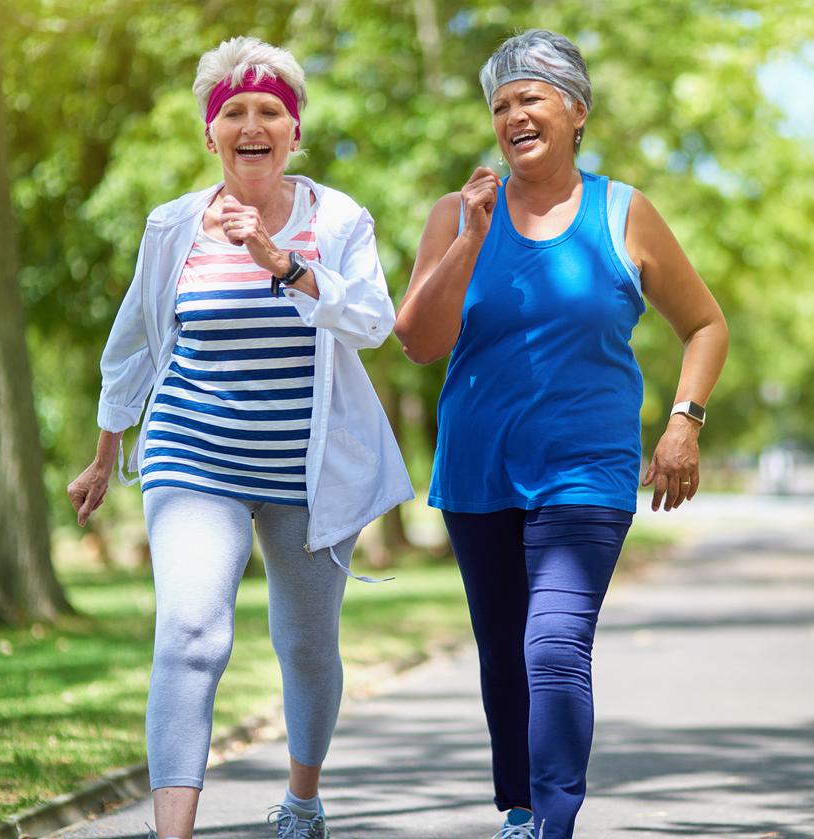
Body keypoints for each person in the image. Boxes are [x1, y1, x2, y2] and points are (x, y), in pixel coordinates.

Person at [67, 36, 412, 839]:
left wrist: (279, 262)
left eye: (269, 112)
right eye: (233, 113)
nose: (251, 124)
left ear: (294, 132)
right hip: (193, 455)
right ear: (209, 132)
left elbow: (372, 322)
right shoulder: (172, 226)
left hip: (307, 467)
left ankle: (302, 799)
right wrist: (106, 451)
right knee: (190, 633)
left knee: (306, 648)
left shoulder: (339, 218)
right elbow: (134, 345)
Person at [394, 29, 729, 839]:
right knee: (505, 656)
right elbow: (418, 340)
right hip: (479, 471)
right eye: (501, 104)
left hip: (586, 471)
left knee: (551, 646)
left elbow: (706, 323)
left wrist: (684, 422)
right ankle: (519, 809)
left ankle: (551, 823)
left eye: (530, 98)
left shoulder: (624, 212)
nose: (513, 115)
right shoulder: (457, 213)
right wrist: (472, 238)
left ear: (575, 110)